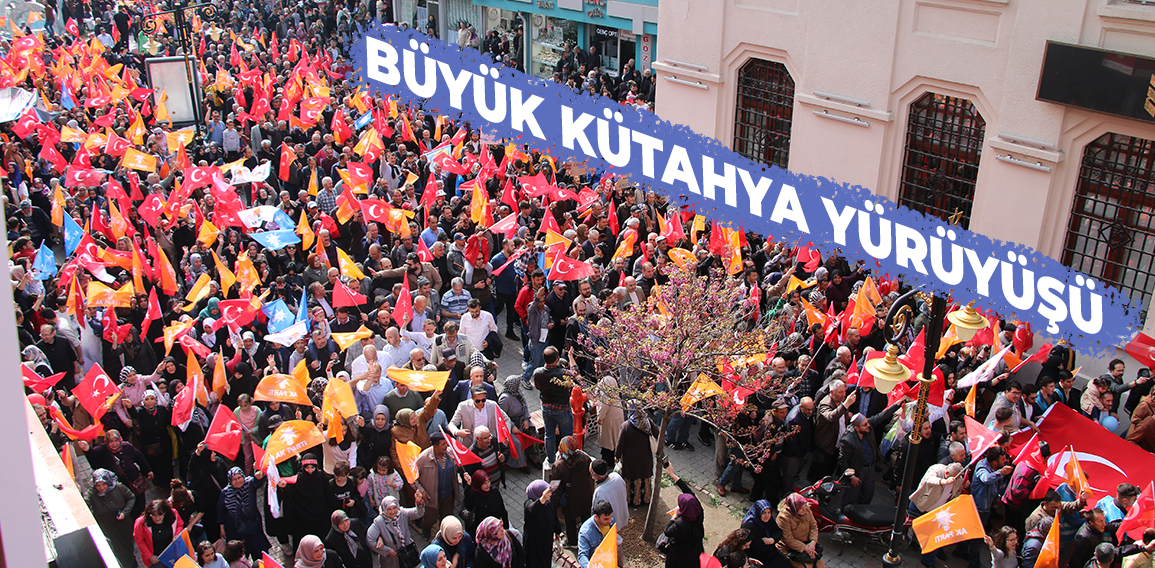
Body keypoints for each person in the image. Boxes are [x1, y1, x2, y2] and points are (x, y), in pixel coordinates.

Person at [84, 468, 137, 568]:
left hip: (123, 526)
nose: (101, 488)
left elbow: (131, 497)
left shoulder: (119, 487)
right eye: (98, 486)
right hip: (108, 529)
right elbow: (85, 502)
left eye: (104, 484)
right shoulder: (92, 493)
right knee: (116, 550)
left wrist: (125, 512)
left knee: (127, 547)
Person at [550, 435, 595, 548]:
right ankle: (588, 538)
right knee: (586, 518)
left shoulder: (558, 466)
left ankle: (572, 541)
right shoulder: (585, 458)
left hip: (570, 500)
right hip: (585, 496)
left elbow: (555, 488)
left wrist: (553, 505)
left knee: (570, 521)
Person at [218, 467, 272, 560]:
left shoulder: (249, 483)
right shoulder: (225, 492)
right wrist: (221, 527)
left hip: (253, 525)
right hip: (236, 529)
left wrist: (258, 475)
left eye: (239, 478)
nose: (238, 481)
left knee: (260, 552)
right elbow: (221, 509)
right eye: (234, 479)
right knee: (241, 555)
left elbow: (257, 482)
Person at [661, 471, 705, 568]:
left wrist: (674, 516)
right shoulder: (699, 512)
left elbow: (667, 531)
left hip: (679, 555)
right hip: (695, 551)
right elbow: (690, 493)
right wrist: (673, 475)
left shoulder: (681, 524)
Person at [367, 495, 426, 568]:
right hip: (392, 560)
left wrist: (419, 503)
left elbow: (418, 513)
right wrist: (386, 550)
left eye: (394, 508)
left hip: (407, 553)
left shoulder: (402, 513)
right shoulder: (379, 521)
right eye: (389, 509)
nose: (392, 512)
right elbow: (370, 539)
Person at [616, 409, 656, 506]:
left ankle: (631, 500)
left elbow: (620, 444)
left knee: (631, 479)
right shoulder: (648, 422)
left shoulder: (626, 426)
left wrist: (617, 456)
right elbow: (657, 433)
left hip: (631, 460)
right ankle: (646, 499)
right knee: (644, 477)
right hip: (645, 458)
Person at [134, 499, 185, 568]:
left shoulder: (173, 514)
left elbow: (180, 524)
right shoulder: (141, 522)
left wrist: (177, 534)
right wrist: (150, 556)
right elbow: (139, 540)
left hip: (173, 553)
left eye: (160, 514)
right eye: (153, 515)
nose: (157, 518)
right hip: (156, 559)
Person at [777, 493, 824, 568]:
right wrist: (805, 548)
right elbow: (788, 540)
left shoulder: (806, 509)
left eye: (805, 507)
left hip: (808, 545)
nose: (805, 510)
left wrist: (813, 542)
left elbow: (813, 526)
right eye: (801, 509)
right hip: (791, 549)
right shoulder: (783, 518)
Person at [522, 480, 561, 568]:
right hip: (534, 542)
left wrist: (557, 531)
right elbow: (532, 509)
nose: (550, 495)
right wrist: (542, 499)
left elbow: (554, 515)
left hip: (546, 538)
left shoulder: (549, 501)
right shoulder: (529, 503)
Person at [742, 500, 790, 568]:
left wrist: (772, 540)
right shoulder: (749, 526)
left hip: (771, 552)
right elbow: (758, 548)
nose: (767, 516)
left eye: (769, 512)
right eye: (764, 513)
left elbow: (778, 532)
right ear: (758, 512)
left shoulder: (768, 520)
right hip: (757, 556)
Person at [462, 470, 508, 538]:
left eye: (488, 482)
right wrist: (468, 486)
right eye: (484, 483)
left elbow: (502, 509)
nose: (488, 485)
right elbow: (468, 505)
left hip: (495, 529)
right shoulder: (473, 495)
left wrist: (506, 528)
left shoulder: (494, 491)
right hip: (481, 532)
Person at [590, 459, 629, 534]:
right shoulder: (616, 476)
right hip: (622, 515)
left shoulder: (600, 492)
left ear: (594, 475)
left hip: (610, 524)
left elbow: (595, 511)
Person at [577, 501, 618, 568]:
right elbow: (582, 555)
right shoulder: (585, 532)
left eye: (611, 517)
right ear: (596, 517)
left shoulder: (611, 521)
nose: (610, 521)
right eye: (606, 519)